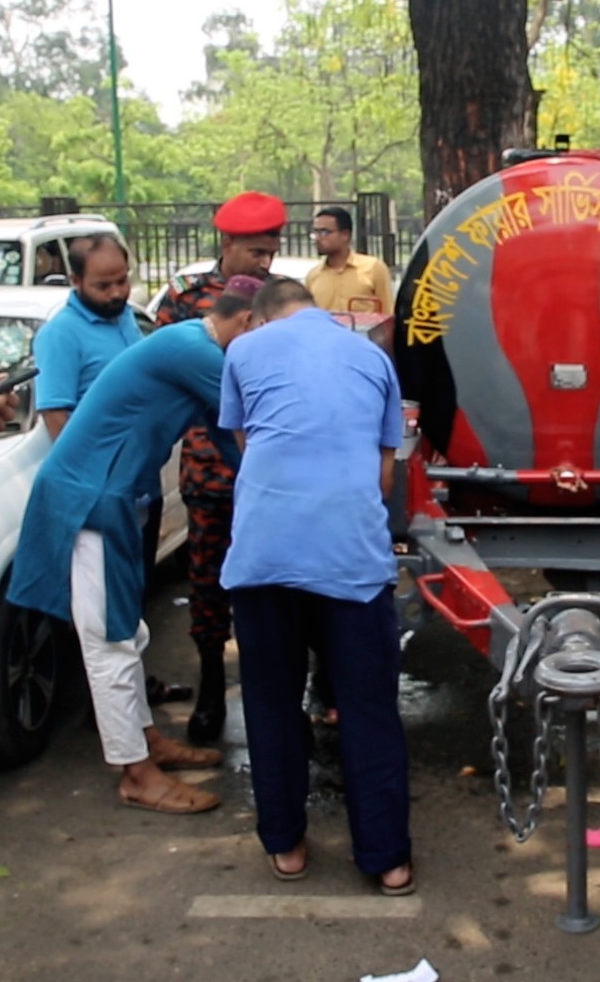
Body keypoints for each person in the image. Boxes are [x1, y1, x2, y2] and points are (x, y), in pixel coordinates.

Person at [7, 280, 259, 814]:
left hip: (116, 496)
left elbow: (228, 438)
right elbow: (254, 418)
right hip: (91, 498)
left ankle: (146, 741)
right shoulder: (194, 350)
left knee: (130, 629)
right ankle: (136, 774)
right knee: (109, 640)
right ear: (247, 325)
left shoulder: (196, 346)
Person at [220, 277, 412, 894]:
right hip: (350, 559)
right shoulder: (373, 358)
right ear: (320, 313)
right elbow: (384, 475)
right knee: (368, 707)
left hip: (263, 557)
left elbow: (249, 447)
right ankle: (387, 860)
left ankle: (287, 846)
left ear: (260, 318)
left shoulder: (242, 351)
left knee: (272, 701)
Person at [153, 191, 284, 743]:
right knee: (208, 582)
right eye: (256, 250)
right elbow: (165, 370)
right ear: (227, 243)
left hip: (268, 465)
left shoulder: (279, 300)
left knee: (275, 584)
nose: (265, 261)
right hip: (209, 467)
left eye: (272, 249)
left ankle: (276, 694)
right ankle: (211, 688)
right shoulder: (186, 299)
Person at [34, 232, 185, 705]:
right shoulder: (61, 334)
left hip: (139, 485)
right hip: (104, 494)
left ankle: (135, 689)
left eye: (123, 281)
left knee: (134, 593)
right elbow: (58, 418)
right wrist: (100, 484)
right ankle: (107, 705)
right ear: (74, 280)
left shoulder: (121, 319)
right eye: (104, 285)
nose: (118, 293)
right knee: (105, 611)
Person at [306, 205, 393, 313]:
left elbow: (387, 314)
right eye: (315, 232)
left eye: (325, 232)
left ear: (345, 235)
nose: (318, 238)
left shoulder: (373, 268)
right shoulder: (313, 276)